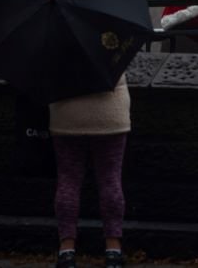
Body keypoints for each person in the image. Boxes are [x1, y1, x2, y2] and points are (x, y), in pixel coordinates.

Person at [49, 73, 130, 268]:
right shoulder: (114, 41)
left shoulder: (55, 43)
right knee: (110, 179)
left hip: (66, 112)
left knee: (68, 180)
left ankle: (66, 251)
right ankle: (113, 250)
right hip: (110, 112)